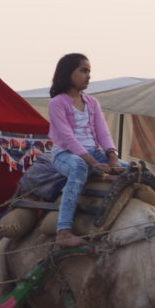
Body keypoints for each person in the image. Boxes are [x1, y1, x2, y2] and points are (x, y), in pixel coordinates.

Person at [48, 53, 124, 247]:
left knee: (133, 170)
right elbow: (67, 138)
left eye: (89, 71)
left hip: (95, 153)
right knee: (78, 167)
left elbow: (103, 133)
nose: (88, 76)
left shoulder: (92, 102)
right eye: (83, 70)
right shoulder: (57, 103)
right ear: (68, 73)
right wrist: (94, 163)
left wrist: (113, 158)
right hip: (66, 154)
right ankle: (63, 231)